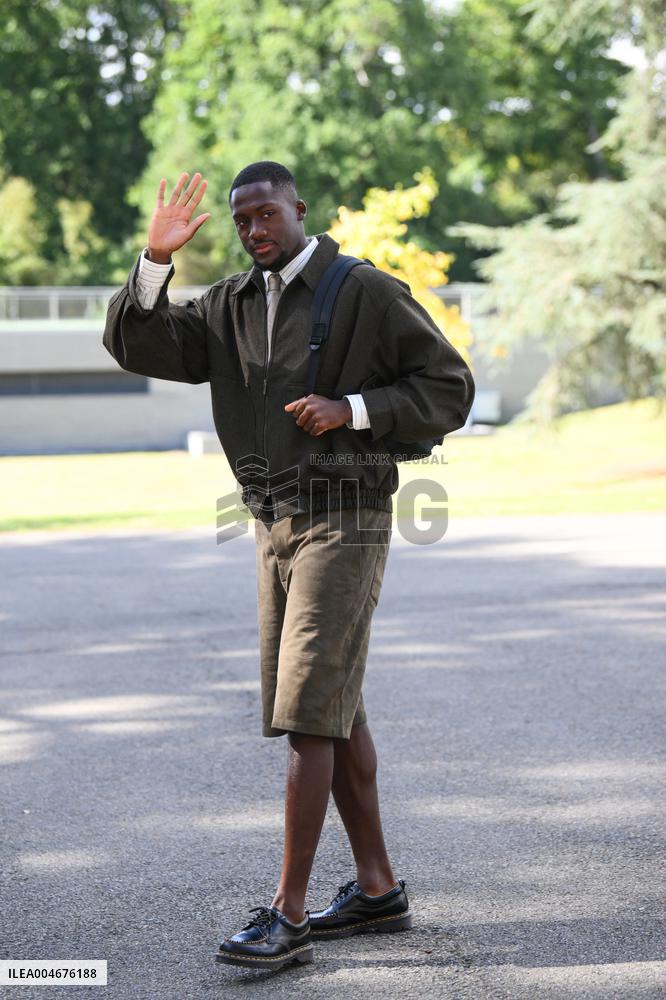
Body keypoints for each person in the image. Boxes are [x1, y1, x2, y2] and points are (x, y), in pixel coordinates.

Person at [103, 161, 475, 972]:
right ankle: (376, 887)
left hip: (348, 517)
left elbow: (449, 386)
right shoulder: (230, 304)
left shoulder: (363, 292)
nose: (255, 228)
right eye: (243, 220)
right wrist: (155, 262)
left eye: (267, 213)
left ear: (299, 210)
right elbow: (138, 343)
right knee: (332, 703)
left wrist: (354, 409)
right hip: (270, 524)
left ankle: (290, 913)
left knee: (308, 708)